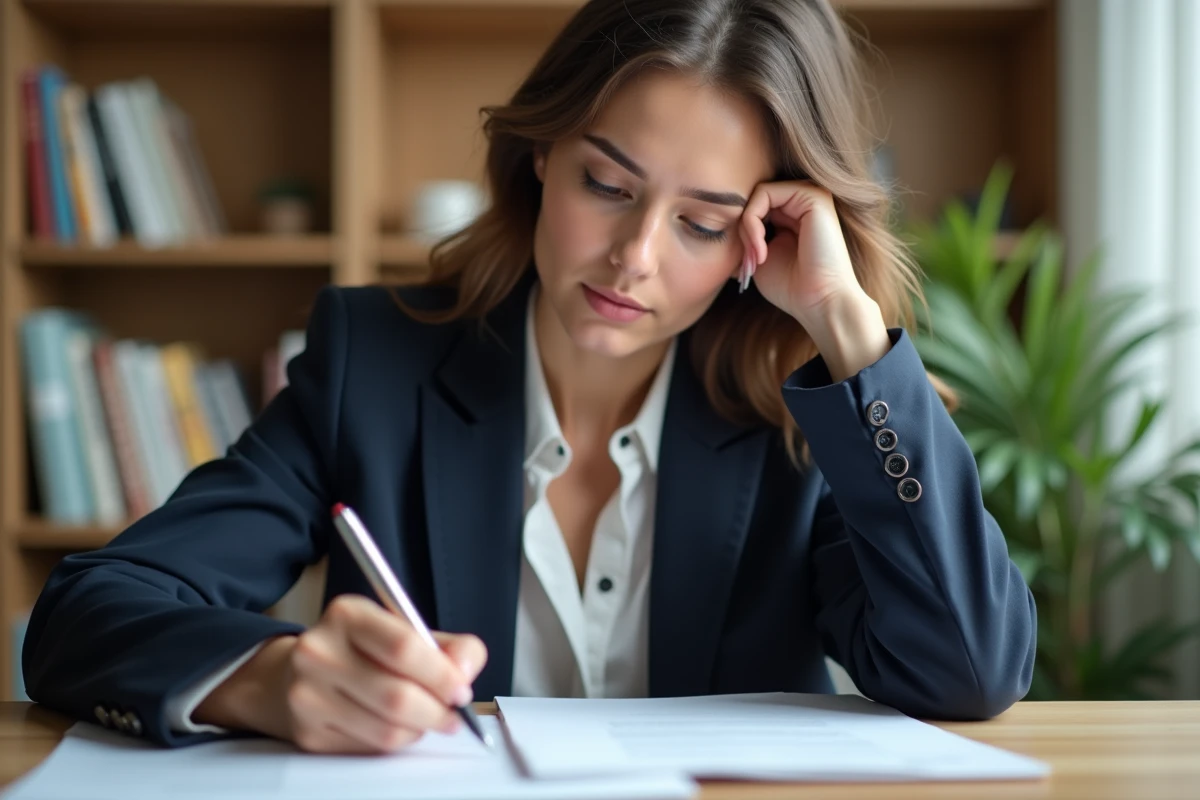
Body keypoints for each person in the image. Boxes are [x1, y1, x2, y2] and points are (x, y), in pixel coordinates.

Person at [22, 0, 1036, 754]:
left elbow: (969, 667)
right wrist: (270, 677)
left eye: (702, 222)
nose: (634, 258)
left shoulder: (810, 419)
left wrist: (847, 326)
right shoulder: (374, 367)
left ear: (764, 237)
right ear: (540, 155)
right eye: (607, 183)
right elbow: (87, 613)